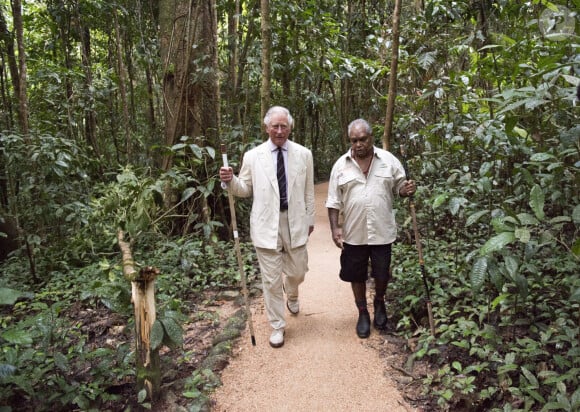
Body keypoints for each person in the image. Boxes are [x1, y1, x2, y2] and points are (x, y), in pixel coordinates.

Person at [219, 106, 315, 348]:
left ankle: (292, 293)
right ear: (266, 128)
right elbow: (244, 189)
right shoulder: (253, 156)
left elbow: (309, 192)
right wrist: (229, 181)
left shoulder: (304, 154)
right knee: (270, 280)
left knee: (298, 272)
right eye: (275, 126)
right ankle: (277, 326)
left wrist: (310, 220)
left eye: (284, 126)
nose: (280, 131)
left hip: (294, 221)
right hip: (265, 224)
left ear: (290, 127)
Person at [325, 119, 416, 338]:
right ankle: (362, 312)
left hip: (382, 231)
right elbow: (333, 201)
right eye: (354, 140)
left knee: (381, 273)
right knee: (356, 275)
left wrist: (407, 189)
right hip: (354, 233)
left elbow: (400, 187)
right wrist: (335, 229)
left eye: (363, 139)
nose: (358, 144)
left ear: (371, 137)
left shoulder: (389, 161)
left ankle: (380, 303)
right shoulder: (340, 165)